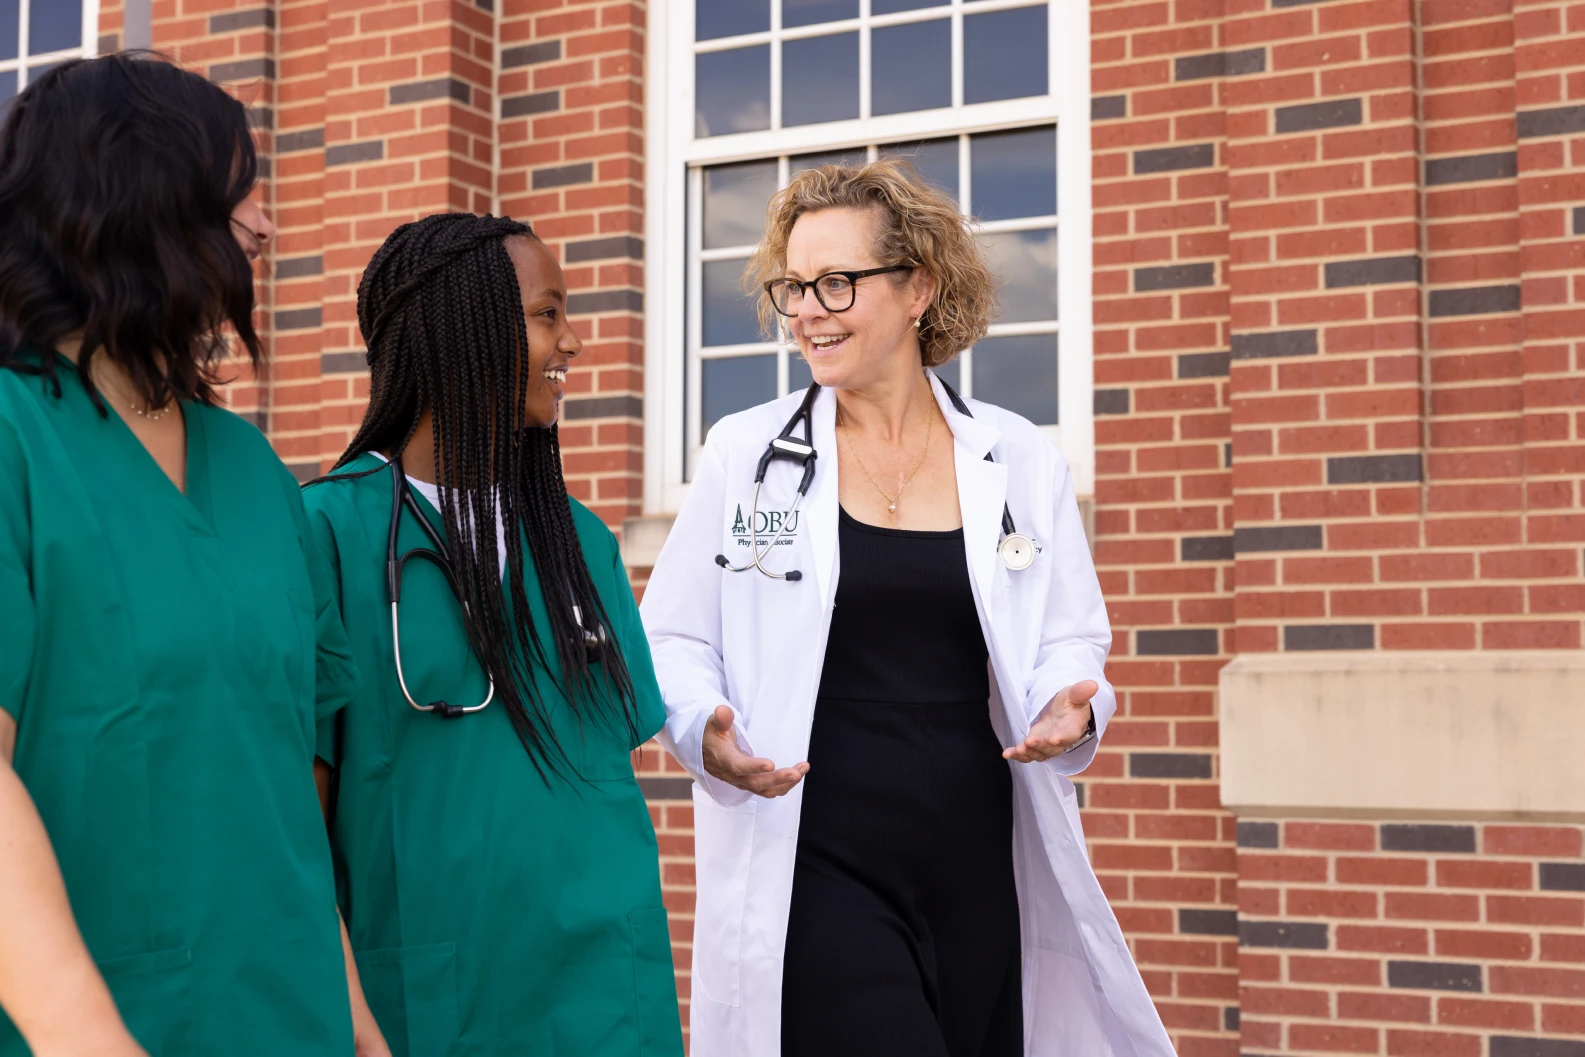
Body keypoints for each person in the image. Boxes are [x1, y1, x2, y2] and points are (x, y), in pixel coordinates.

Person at [641, 159, 1176, 1057]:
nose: (804, 308)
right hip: (817, 855)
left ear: (919, 286)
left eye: (835, 283)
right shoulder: (744, 454)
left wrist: (1067, 700)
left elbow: (1068, 635)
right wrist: (704, 729)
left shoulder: (1016, 459)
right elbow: (675, 634)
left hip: (976, 856)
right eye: (790, 285)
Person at [0, 54, 376, 1056]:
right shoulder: (13, 439)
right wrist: (86, 1035)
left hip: (288, 1015)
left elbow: (280, 786)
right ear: (138, 197)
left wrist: (354, 1018)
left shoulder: (254, 470)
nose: (263, 223)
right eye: (236, 191)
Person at [302, 212, 684, 1057]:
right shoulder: (324, 534)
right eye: (548, 313)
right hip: (433, 1000)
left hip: (604, 994)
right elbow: (296, 820)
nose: (573, 341)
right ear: (460, 327)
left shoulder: (581, 542)